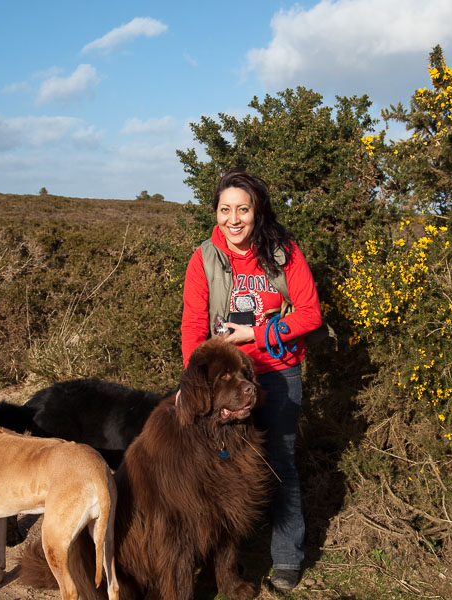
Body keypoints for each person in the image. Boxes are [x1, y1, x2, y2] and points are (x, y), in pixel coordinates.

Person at [181, 169, 323, 592]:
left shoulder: (283, 253)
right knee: (218, 469)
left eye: (243, 208)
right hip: (223, 383)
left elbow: (310, 313)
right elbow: (193, 326)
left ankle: (286, 559)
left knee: (278, 463)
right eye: (225, 210)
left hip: (277, 376)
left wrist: (257, 335)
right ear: (217, 213)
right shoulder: (203, 258)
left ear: (257, 211)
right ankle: (221, 560)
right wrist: (195, 385)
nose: (234, 218)